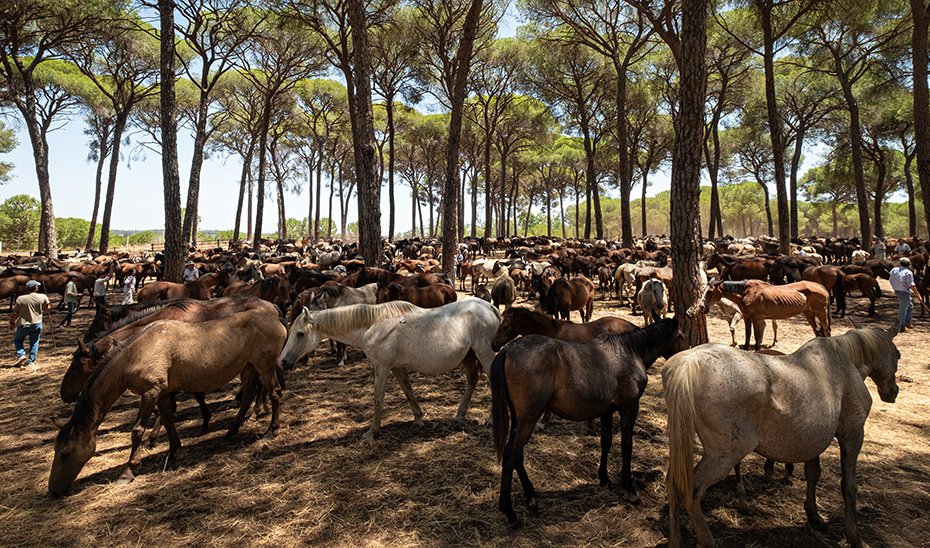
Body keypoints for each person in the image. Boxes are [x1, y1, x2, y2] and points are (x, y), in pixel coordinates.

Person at [10, 280, 51, 367]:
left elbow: (15, 313)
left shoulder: (21, 299)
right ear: (35, 288)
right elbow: (47, 308)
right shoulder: (43, 296)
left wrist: (12, 322)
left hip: (23, 324)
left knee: (18, 340)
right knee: (34, 342)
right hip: (37, 323)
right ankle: (31, 361)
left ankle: (21, 355)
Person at [889, 257, 921, 332]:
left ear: (900, 263)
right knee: (903, 309)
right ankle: (901, 325)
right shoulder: (908, 272)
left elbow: (890, 279)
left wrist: (895, 286)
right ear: (909, 264)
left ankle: (908, 322)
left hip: (897, 291)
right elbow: (912, 285)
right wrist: (918, 295)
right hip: (903, 292)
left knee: (910, 305)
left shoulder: (894, 270)